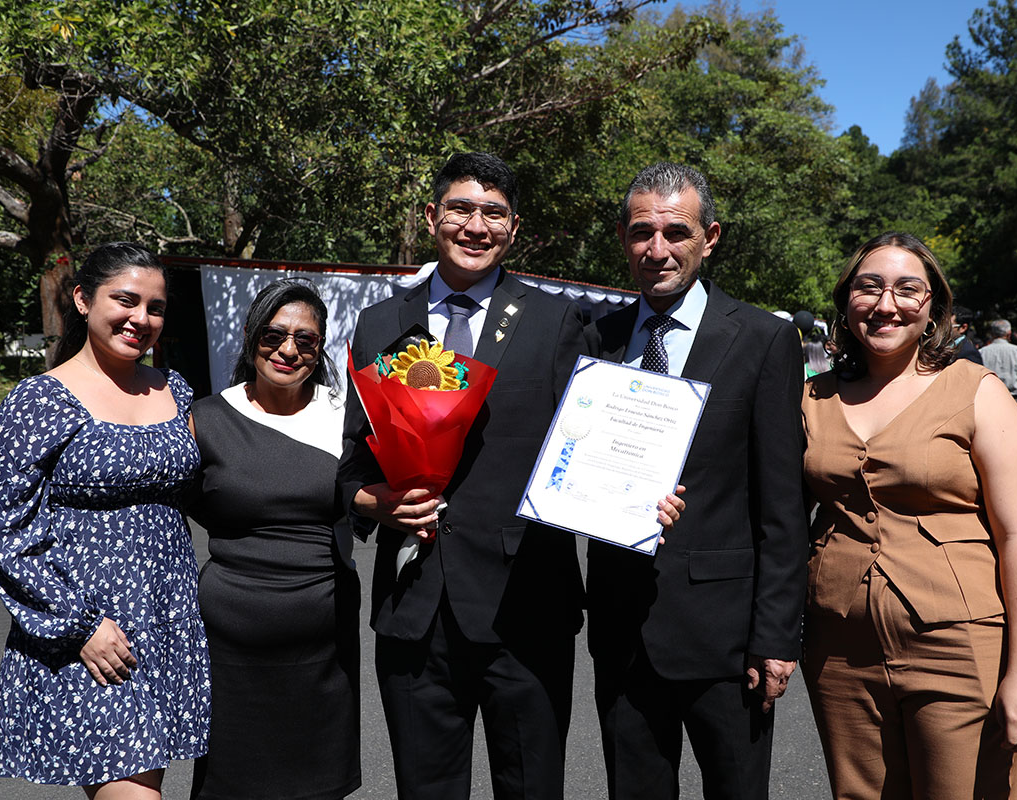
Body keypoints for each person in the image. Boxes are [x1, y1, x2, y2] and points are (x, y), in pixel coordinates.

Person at [339, 152, 678, 800]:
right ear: (432, 216)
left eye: (493, 213)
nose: (476, 225)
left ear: (514, 228)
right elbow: (353, 461)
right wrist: (373, 503)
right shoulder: (382, 323)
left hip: (527, 611)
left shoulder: (558, 322)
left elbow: (603, 435)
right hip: (415, 609)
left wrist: (641, 491)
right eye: (461, 208)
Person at [585, 162, 808, 800]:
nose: (657, 250)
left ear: (710, 238)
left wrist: (774, 637)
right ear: (623, 239)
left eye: (675, 233)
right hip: (624, 632)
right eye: (641, 233)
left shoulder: (764, 340)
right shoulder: (597, 338)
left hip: (728, 639)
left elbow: (782, 507)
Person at [802, 232, 1017, 799]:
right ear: (846, 303)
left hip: (958, 645)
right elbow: (766, 505)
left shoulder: (977, 392)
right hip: (839, 648)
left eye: (906, 289)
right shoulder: (811, 396)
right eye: (868, 287)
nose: (885, 304)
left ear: (935, 307)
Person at [0, 242, 209, 797]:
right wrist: (78, 623)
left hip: (169, 619)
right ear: (82, 299)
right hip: (97, 632)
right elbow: (4, 533)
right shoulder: (39, 400)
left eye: (155, 307)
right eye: (125, 300)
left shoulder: (174, 390)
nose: (142, 319)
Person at [188, 279, 360, 799]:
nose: (288, 350)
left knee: (317, 783)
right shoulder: (205, 419)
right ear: (249, 337)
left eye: (305, 340)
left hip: (323, 646)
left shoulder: (348, 415)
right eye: (273, 335)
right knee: (231, 783)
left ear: (320, 347)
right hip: (230, 646)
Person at [980, 318, 1017, 407]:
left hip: (989, 399)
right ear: (1009, 333)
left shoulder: (982, 352)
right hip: (1013, 399)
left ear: (992, 334)